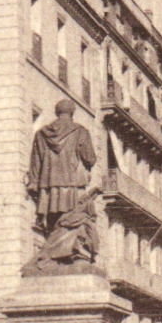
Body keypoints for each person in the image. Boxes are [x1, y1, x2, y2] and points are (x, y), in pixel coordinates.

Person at [24, 99, 100, 269]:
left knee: (53, 224)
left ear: (57, 112)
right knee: (73, 220)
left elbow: (35, 162)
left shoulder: (41, 134)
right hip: (71, 184)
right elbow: (90, 158)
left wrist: (34, 184)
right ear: (72, 113)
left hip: (48, 186)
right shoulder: (80, 132)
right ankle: (65, 255)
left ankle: (54, 258)